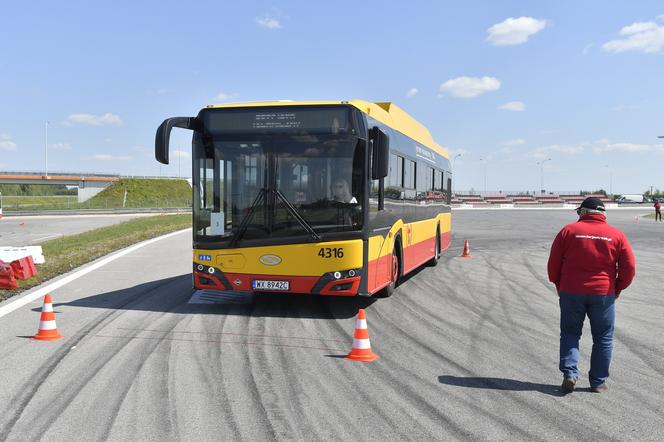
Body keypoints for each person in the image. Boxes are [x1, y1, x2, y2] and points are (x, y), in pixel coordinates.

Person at [547, 197, 636, 394]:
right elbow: (629, 269)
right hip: (603, 294)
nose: (578, 216)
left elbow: (553, 264)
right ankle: (598, 382)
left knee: (570, 333)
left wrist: (558, 284)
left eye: (579, 212)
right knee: (603, 337)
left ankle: (570, 374)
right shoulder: (616, 235)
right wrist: (617, 288)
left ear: (585, 212)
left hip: (571, 292)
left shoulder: (568, 231)